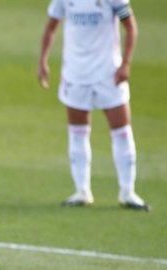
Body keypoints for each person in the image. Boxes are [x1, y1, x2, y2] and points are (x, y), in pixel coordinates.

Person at [38, 0, 149, 211]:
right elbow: (51, 26)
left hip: (108, 74)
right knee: (77, 132)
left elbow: (130, 26)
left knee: (122, 131)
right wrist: (43, 61)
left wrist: (125, 64)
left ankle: (128, 192)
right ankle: (82, 191)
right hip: (76, 74)